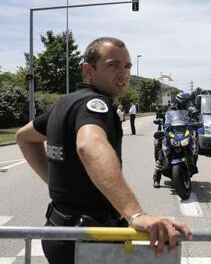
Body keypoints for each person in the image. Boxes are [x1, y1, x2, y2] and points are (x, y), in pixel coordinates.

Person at [15, 37, 192, 264]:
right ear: (89, 70)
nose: (123, 73)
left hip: (60, 231)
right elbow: (90, 145)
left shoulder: (66, 102)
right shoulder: (95, 105)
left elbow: (24, 137)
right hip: (88, 242)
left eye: (127, 66)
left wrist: (54, 181)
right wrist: (135, 213)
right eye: (113, 65)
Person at [153, 92, 194, 188]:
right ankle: (156, 177)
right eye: (186, 102)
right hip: (172, 132)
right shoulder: (171, 109)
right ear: (181, 101)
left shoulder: (187, 110)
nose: (188, 104)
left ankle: (191, 164)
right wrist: (162, 122)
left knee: (192, 144)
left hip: (183, 132)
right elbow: (165, 120)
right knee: (162, 151)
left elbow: (192, 118)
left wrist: (195, 120)